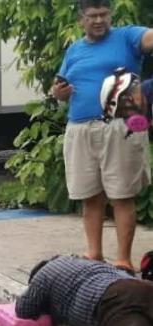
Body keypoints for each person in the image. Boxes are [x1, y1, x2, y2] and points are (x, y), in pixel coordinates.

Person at [52, 0, 153, 274]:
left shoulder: (127, 36)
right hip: (80, 128)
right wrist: (58, 93)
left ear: (110, 15)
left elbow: (148, 38)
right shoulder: (74, 49)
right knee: (90, 196)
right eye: (92, 16)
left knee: (122, 195)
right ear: (81, 19)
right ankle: (94, 254)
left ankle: (123, 260)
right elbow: (58, 87)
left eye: (103, 15)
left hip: (120, 126)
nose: (98, 20)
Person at [13, 254, 153, 326]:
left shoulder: (43, 275)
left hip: (110, 302)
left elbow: (24, 309)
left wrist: (47, 305)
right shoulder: (80, 261)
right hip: (138, 287)